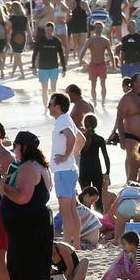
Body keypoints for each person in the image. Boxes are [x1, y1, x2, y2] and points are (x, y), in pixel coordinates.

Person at [0, 131, 55, 280]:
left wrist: (3, 185)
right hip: (33, 222)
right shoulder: (39, 164)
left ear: (23, 147)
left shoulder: (29, 167)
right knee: (33, 269)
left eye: (15, 146)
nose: (14, 149)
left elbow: (22, 197)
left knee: (27, 270)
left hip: (28, 226)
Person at [48, 92, 83, 249]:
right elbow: (81, 139)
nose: (48, 106)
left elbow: (73, 138)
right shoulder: (67, 119)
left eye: (50, 104)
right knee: (71, 210)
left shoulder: (62, 120)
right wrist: (71, 156)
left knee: (66, 211)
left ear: (58, 106)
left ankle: (69, 245)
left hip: (64, 170)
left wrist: (65, 156)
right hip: (69, 169)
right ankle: (76, 244)